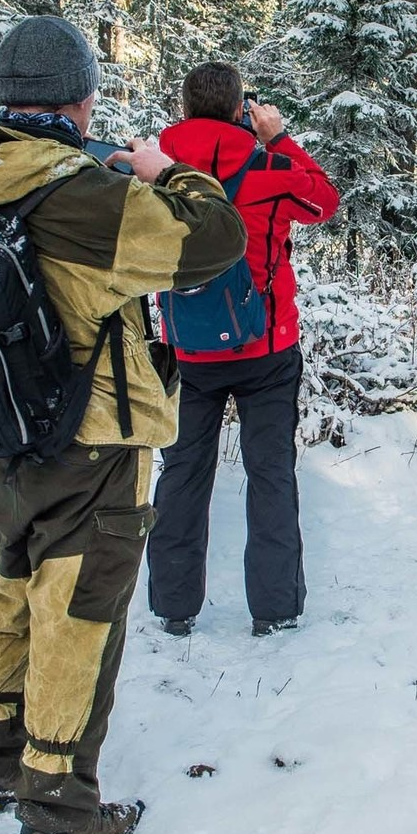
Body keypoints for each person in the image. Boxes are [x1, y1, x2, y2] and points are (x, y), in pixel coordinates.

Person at [0, 17, 243, 834]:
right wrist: (172, 174)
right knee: (80, 615)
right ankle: (58, 806)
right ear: (81, 100)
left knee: (9, 583)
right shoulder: (83, 197)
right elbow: (211, 241)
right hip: (91, 438)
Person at [146, 61, 341, 637]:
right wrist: (276, 137)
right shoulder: (270, 169)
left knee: (182, 472)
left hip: (191, 351)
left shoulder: (155, 174)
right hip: (266, 349)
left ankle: (175, 609)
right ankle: (275, 610)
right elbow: (324, 202)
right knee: (270, 472)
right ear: (240, 110)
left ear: (184, 112)